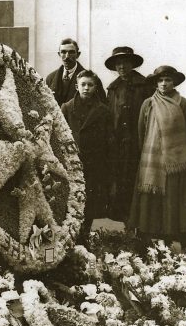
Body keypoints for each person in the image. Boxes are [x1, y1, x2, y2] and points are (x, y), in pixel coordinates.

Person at [128, 65, 186, 245]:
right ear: (156, 83)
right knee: (153, 206)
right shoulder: (148, 104)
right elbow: (141, 133)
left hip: (177, 164)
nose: (164, 84)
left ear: (174, 82)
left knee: (175, 203)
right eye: (160, 80)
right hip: (152, 164)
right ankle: (152, 242)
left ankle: (177, 240)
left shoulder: (184, 104)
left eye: (168, 80)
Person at [104, 46, 153, 221]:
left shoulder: (145, 86)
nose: (121, 67)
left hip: (139, 143)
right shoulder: (113, 89)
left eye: (124, 62)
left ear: (132, 64)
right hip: (118, 146)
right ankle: (127, 226)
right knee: (121, 182)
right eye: (118, 63)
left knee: (138, 182)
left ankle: (140, 228)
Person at [61, 68, 114, 232]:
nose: (86, 88)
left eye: (90, 85)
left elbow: (109, 140)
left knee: (89, 204)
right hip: (73, 164)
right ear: (77, 86)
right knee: (72, 202)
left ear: (95, 87)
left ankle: (84, 236)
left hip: (94, 165)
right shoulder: (67, 108)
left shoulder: (103, 111)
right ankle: (70, 238)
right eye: (83, 84)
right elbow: (59, 136)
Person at [46, 38, 105, 105]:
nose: (67, 56)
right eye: (63, 52)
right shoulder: (50, 78)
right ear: (59, 54)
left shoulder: (92, 79)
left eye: (71, 52)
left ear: (78, 54)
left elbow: (101, 106)